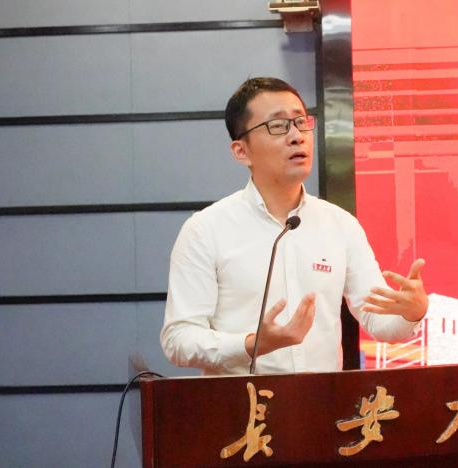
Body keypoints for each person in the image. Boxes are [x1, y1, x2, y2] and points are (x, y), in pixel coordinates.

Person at [160, 77, 428, 375]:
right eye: (277, 126)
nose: (297, 136)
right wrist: (251, 344)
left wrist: (411, 313)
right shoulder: (206, 230)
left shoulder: (340, 225)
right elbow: (179, 340)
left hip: (321, 402)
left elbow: (379, 321)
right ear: (241, 151)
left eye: (301, 122)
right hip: (242, 402)